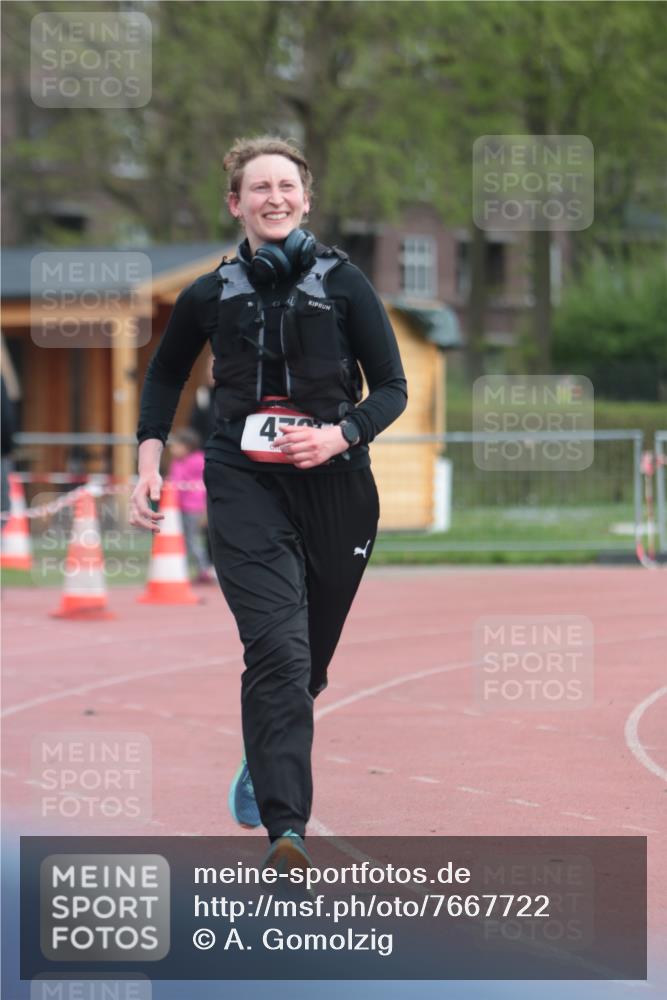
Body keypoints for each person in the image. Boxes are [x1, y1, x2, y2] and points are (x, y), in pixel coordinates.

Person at [130, 135, 407, 869]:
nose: (274, 198)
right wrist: (148, 459)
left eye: (286, 186)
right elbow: (162, 378)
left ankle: (265, 753)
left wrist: (339, 434)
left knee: (306, 662)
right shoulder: (210, 293)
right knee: (276, 651)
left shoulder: (345, 284)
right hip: (243, 483)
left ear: (306, 198)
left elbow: (391, 389)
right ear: (236, 203)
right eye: (259, 188)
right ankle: (288, 829)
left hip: (337, 488)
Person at [166, 427, 215, 584]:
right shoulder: (176, 462)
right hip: (177, 507)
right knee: (183, 540)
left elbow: (206, 486)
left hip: (193, 508)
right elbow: (175, 482)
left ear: (186, 446)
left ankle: (204, 569)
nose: (172, 449)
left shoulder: (198, 461)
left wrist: (205, 510)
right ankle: (185, 571)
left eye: (176, 445)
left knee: (192, 540)